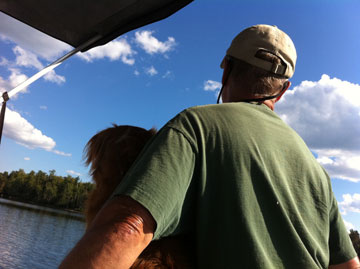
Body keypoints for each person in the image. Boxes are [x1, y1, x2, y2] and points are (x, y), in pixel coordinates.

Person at [60, 25, 359, 268]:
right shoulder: (316, 170)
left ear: (226, 69)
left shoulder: (196, 125)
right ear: (283, 90)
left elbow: (128, 227)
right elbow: (349, 266)